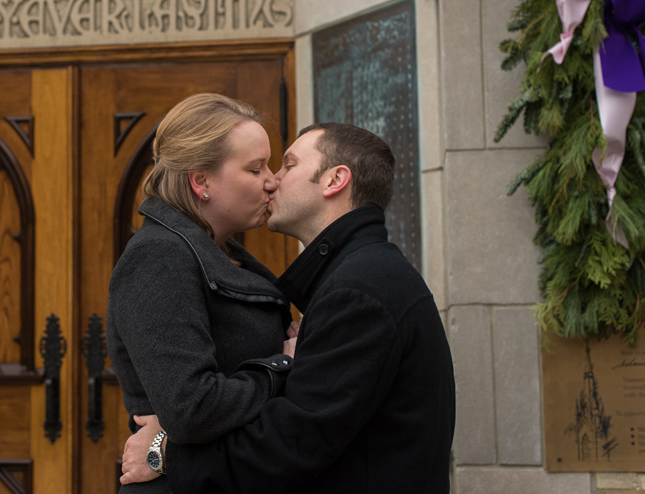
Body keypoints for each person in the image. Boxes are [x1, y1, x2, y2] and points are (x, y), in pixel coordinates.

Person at [121, 123, 456, 493]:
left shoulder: (359, 290)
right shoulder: (360, 277)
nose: (273, 181)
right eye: (257, 169)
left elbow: (294, 440)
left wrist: (164, 454)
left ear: (334, 180)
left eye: (287, 165)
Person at [106, 93, 299, 493]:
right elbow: (190, 408)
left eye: (269, 164)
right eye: (254, 168)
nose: (272, 180)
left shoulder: (216, 253)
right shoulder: (159, 257)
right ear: (201, 181)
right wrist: (283, 363)